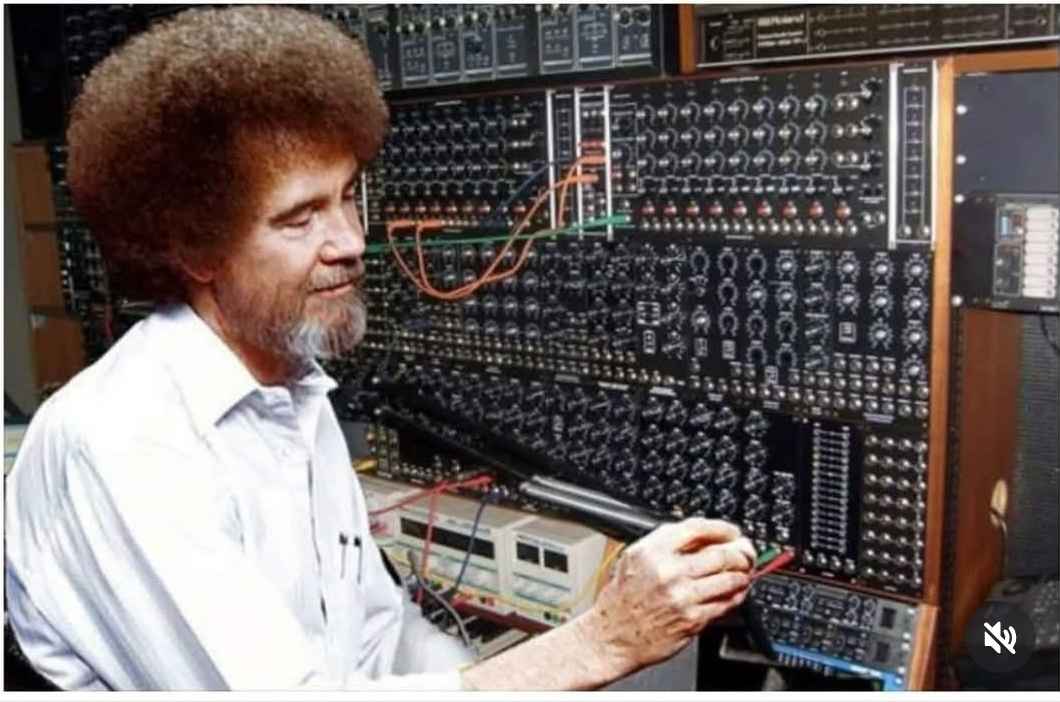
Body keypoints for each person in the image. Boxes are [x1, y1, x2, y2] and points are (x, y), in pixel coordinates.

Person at [4, 6, 756, 691]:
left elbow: (382, 635)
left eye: (347, 197)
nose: (351, 242)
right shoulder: (121, 441)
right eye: (300, 218)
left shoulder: (292, 391)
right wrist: (598, 644)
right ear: (196, 248)